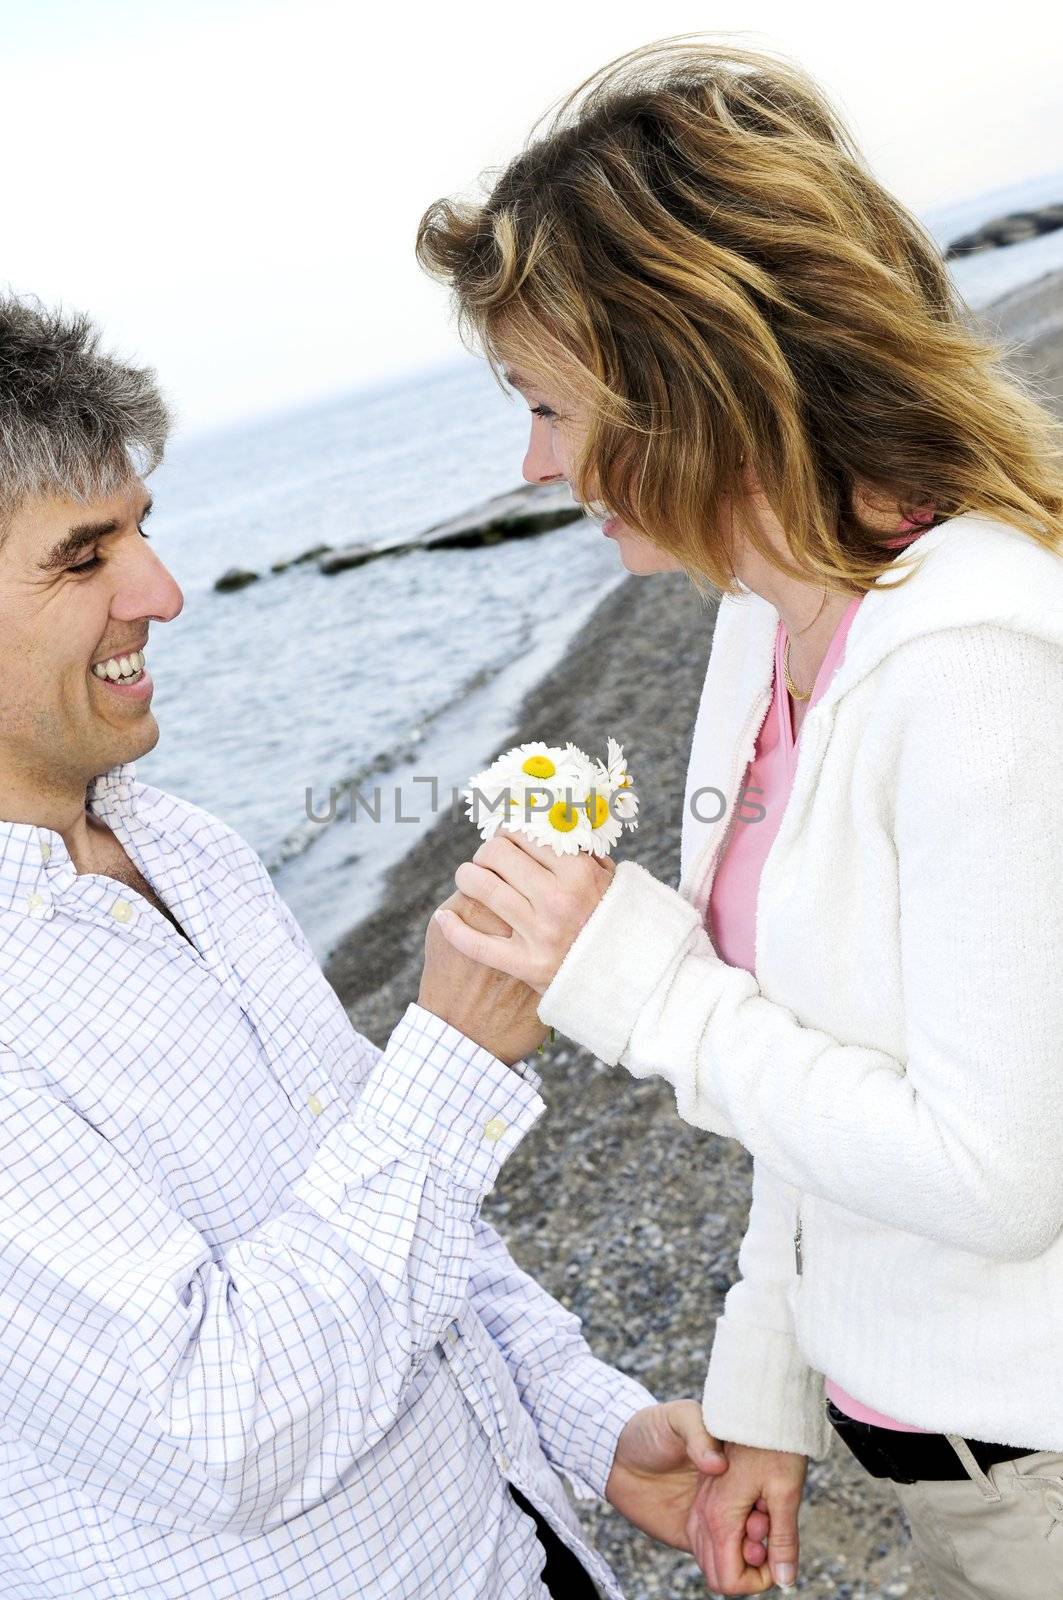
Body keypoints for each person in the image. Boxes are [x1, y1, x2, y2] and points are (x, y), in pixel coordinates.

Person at [418, 34, 1063, 1600]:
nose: (536, 462)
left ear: (689, 384)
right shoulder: (760, 622)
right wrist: (768, 1395)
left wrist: (636, 984)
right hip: (930, 1468)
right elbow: (803, 1063)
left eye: (552, 404)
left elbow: (999, 1176)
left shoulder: (980, 669)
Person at [0, 294, 744, 1600]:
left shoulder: (188, 846)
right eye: (83, 558)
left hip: (519, 1549)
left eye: (145, 532)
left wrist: (584, 1417)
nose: (163, 593)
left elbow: (388, 1209)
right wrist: (449, 1055)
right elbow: (223, 1425)